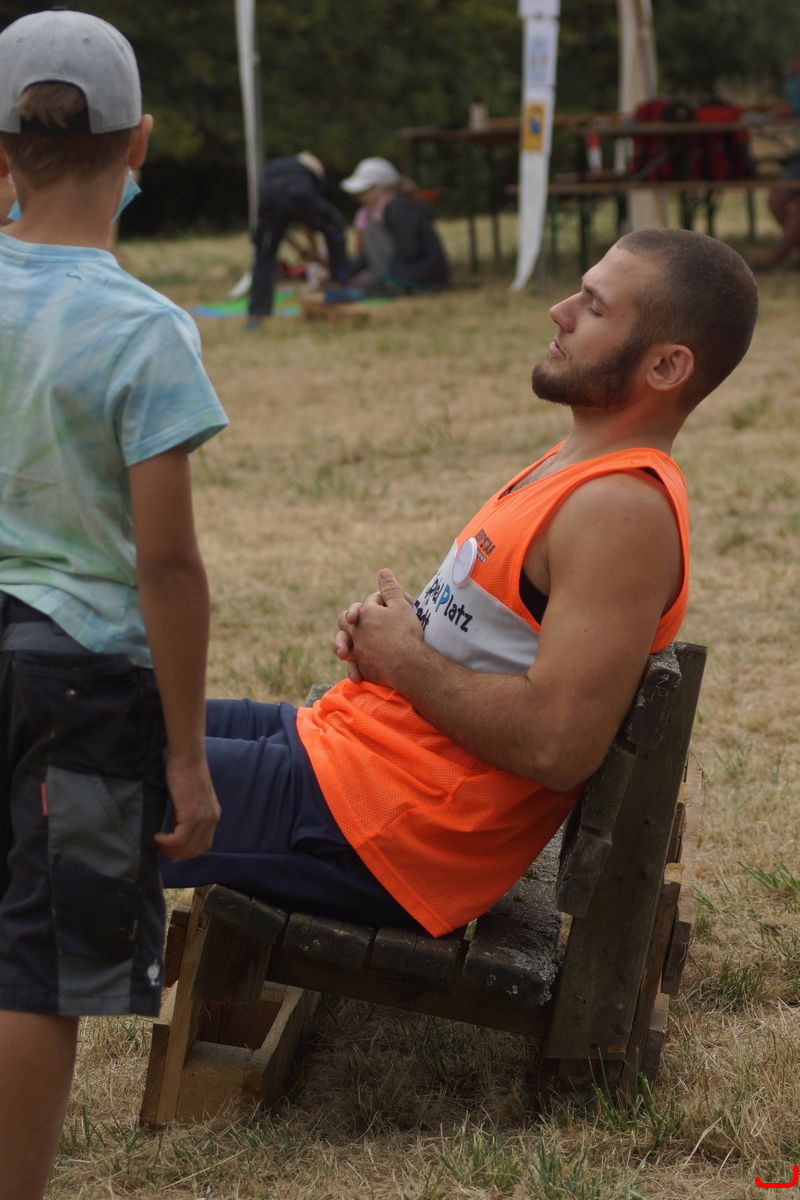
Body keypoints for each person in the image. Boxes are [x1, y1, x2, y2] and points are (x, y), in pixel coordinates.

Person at [163, 229, 757, 943]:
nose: (561, 312)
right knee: (107, 715)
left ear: (666, 365)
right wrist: (402, 630)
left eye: (595, 307)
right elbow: (498, 642)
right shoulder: (578, 468)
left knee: (78, 789)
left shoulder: (621, 510)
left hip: (383, 829)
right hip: (349, 758)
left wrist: (404, 658)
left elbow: (558, 744)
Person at [0, 11, 228, 1200]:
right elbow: (167, 566)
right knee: (41, 966)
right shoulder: (146, 332)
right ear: (138, 144)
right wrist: (186, 756)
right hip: (83, 682)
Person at [247, 151, 349, 328]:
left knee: (265, 253)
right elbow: (309, 219)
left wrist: (305, 250)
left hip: (270, 197)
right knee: (335, 226)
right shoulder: (312, 168)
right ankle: (338, 286)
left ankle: (256, 314)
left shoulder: (278, 168)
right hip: (301, 195)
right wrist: (314, 253)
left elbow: (282, 230)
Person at [337, 156, 450, 298]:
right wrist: (343, 275)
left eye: (365, 191)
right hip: (417, 274)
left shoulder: (398, 209)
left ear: (381, 189)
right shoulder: (389, 209)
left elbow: (409, 251)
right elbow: (367, 255)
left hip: (422, 279)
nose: (360, 197)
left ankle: (389, 284)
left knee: (371, 230)